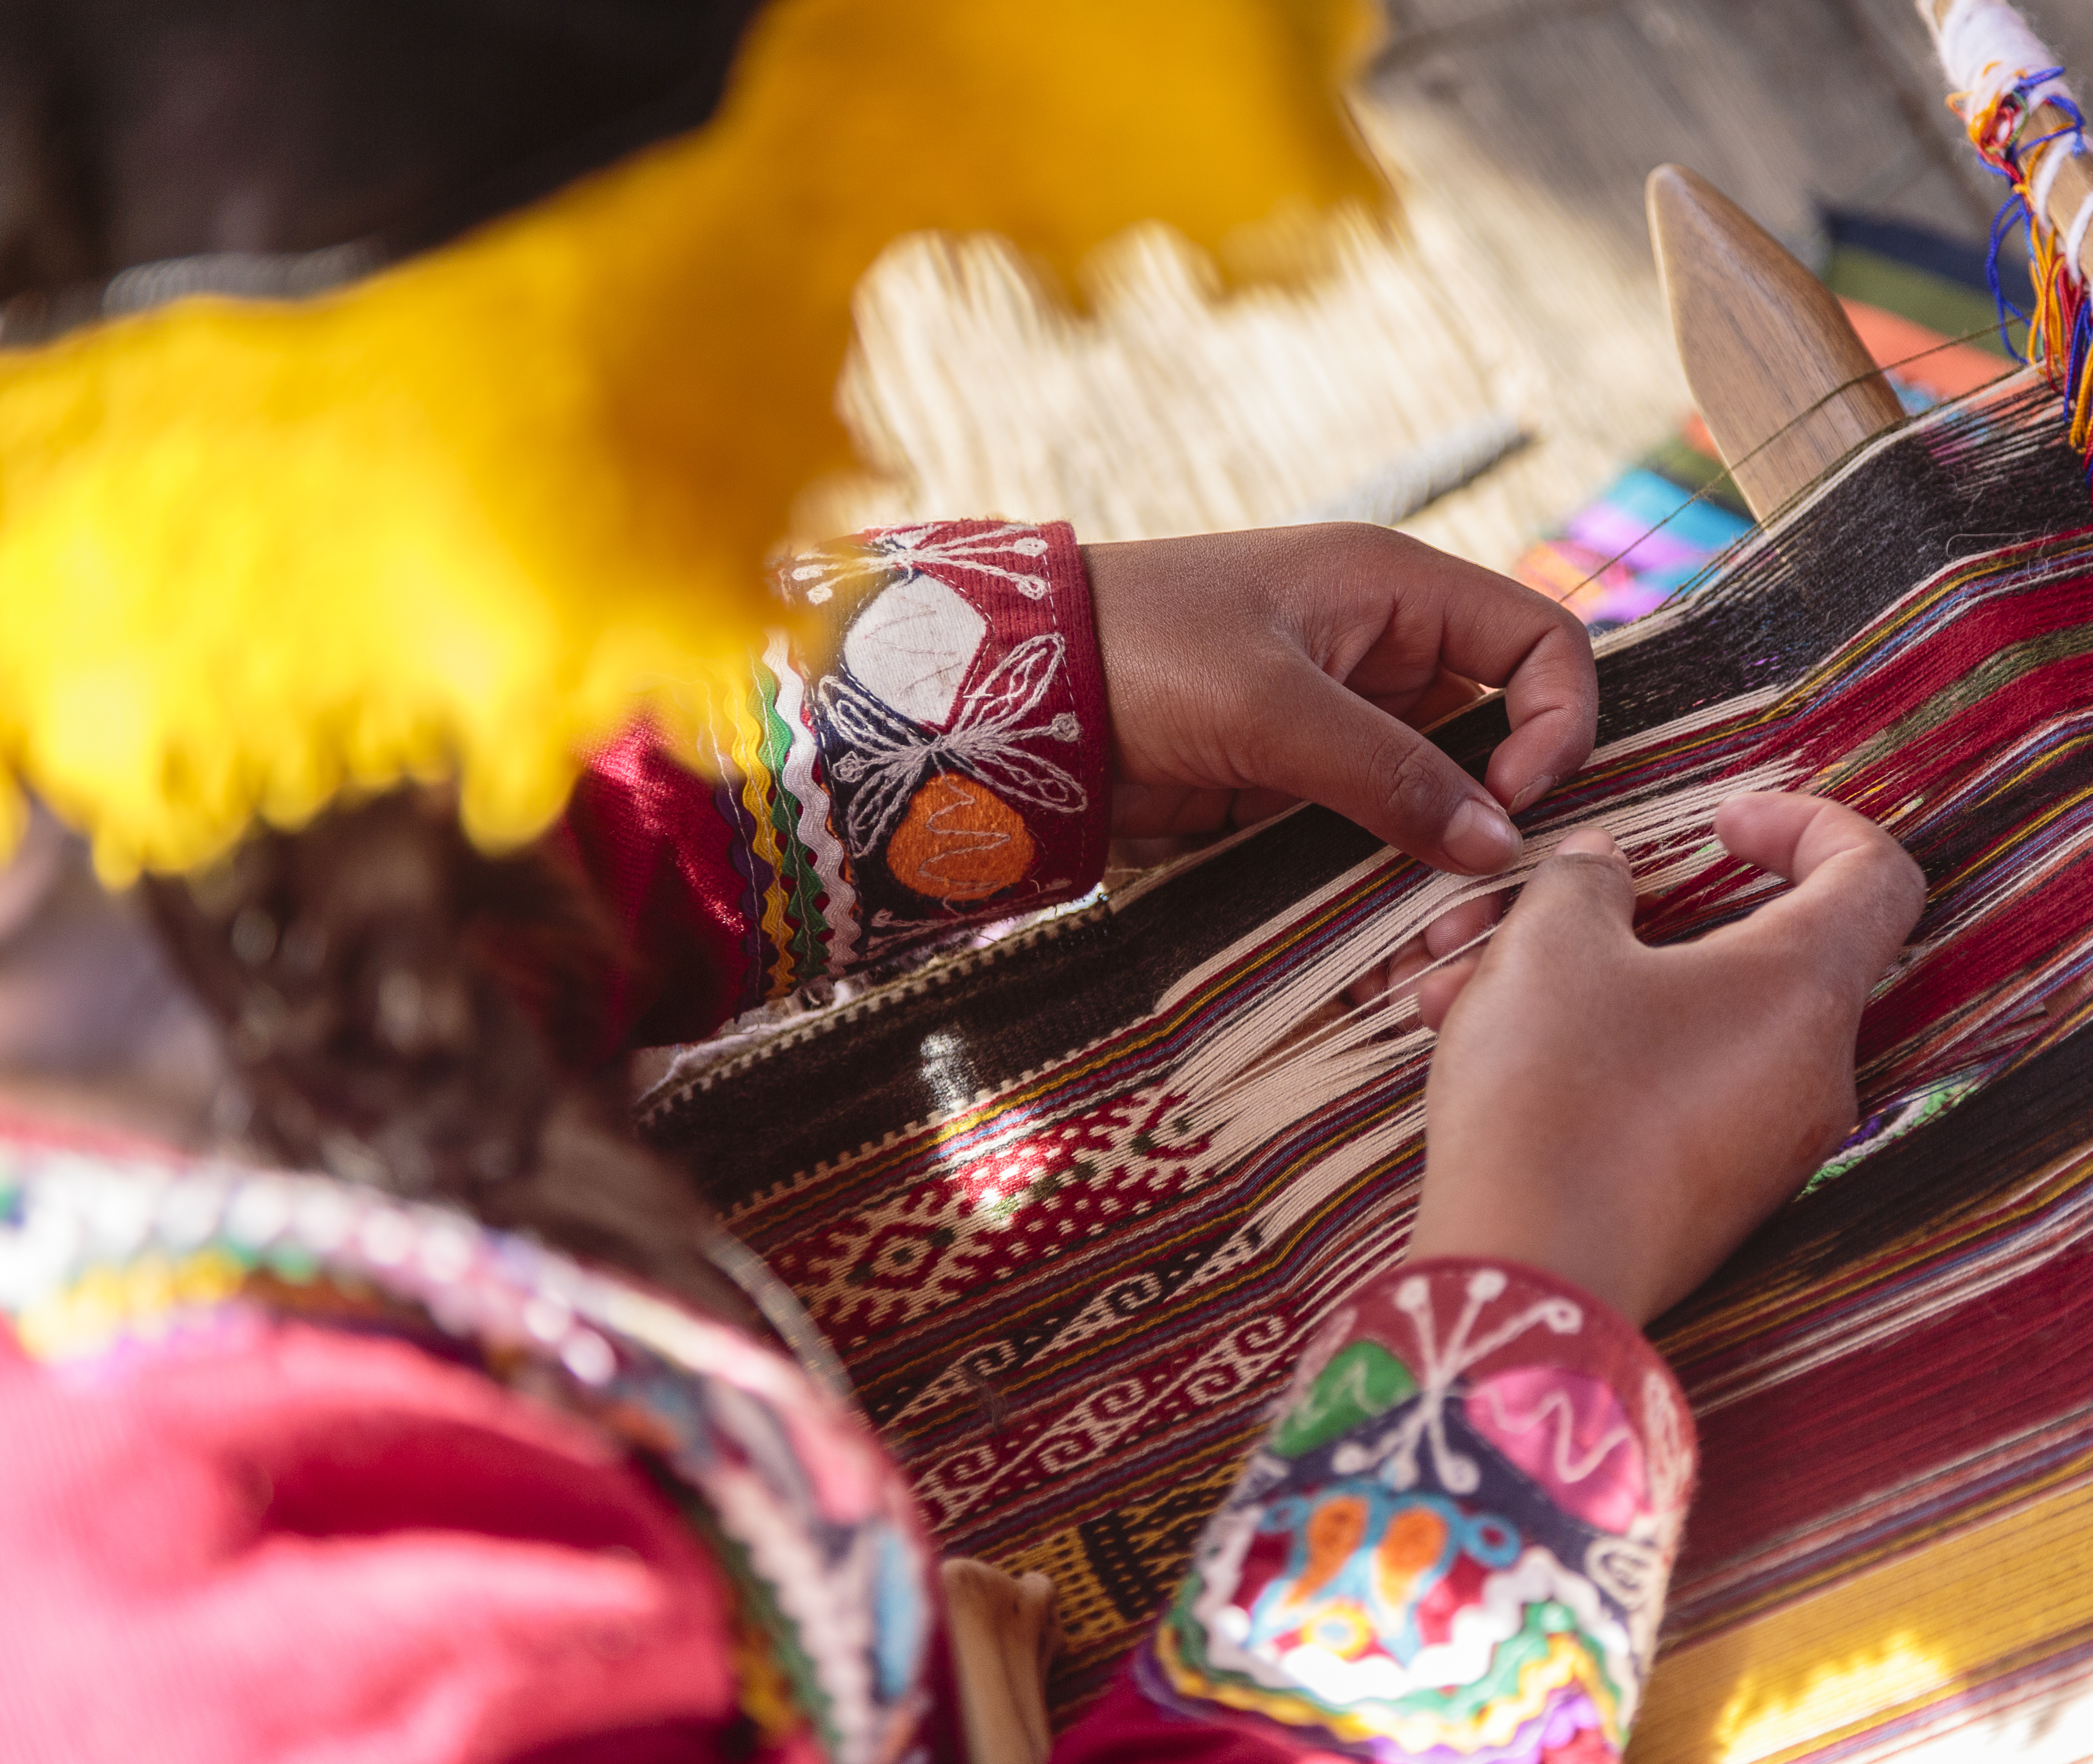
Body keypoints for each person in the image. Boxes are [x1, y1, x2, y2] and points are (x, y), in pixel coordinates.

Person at [0, 5, 1925, 1757]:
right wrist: (1537, 1269)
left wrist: (994, 699)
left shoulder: (107, 740)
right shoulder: (192, 1622)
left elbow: (303, 786)